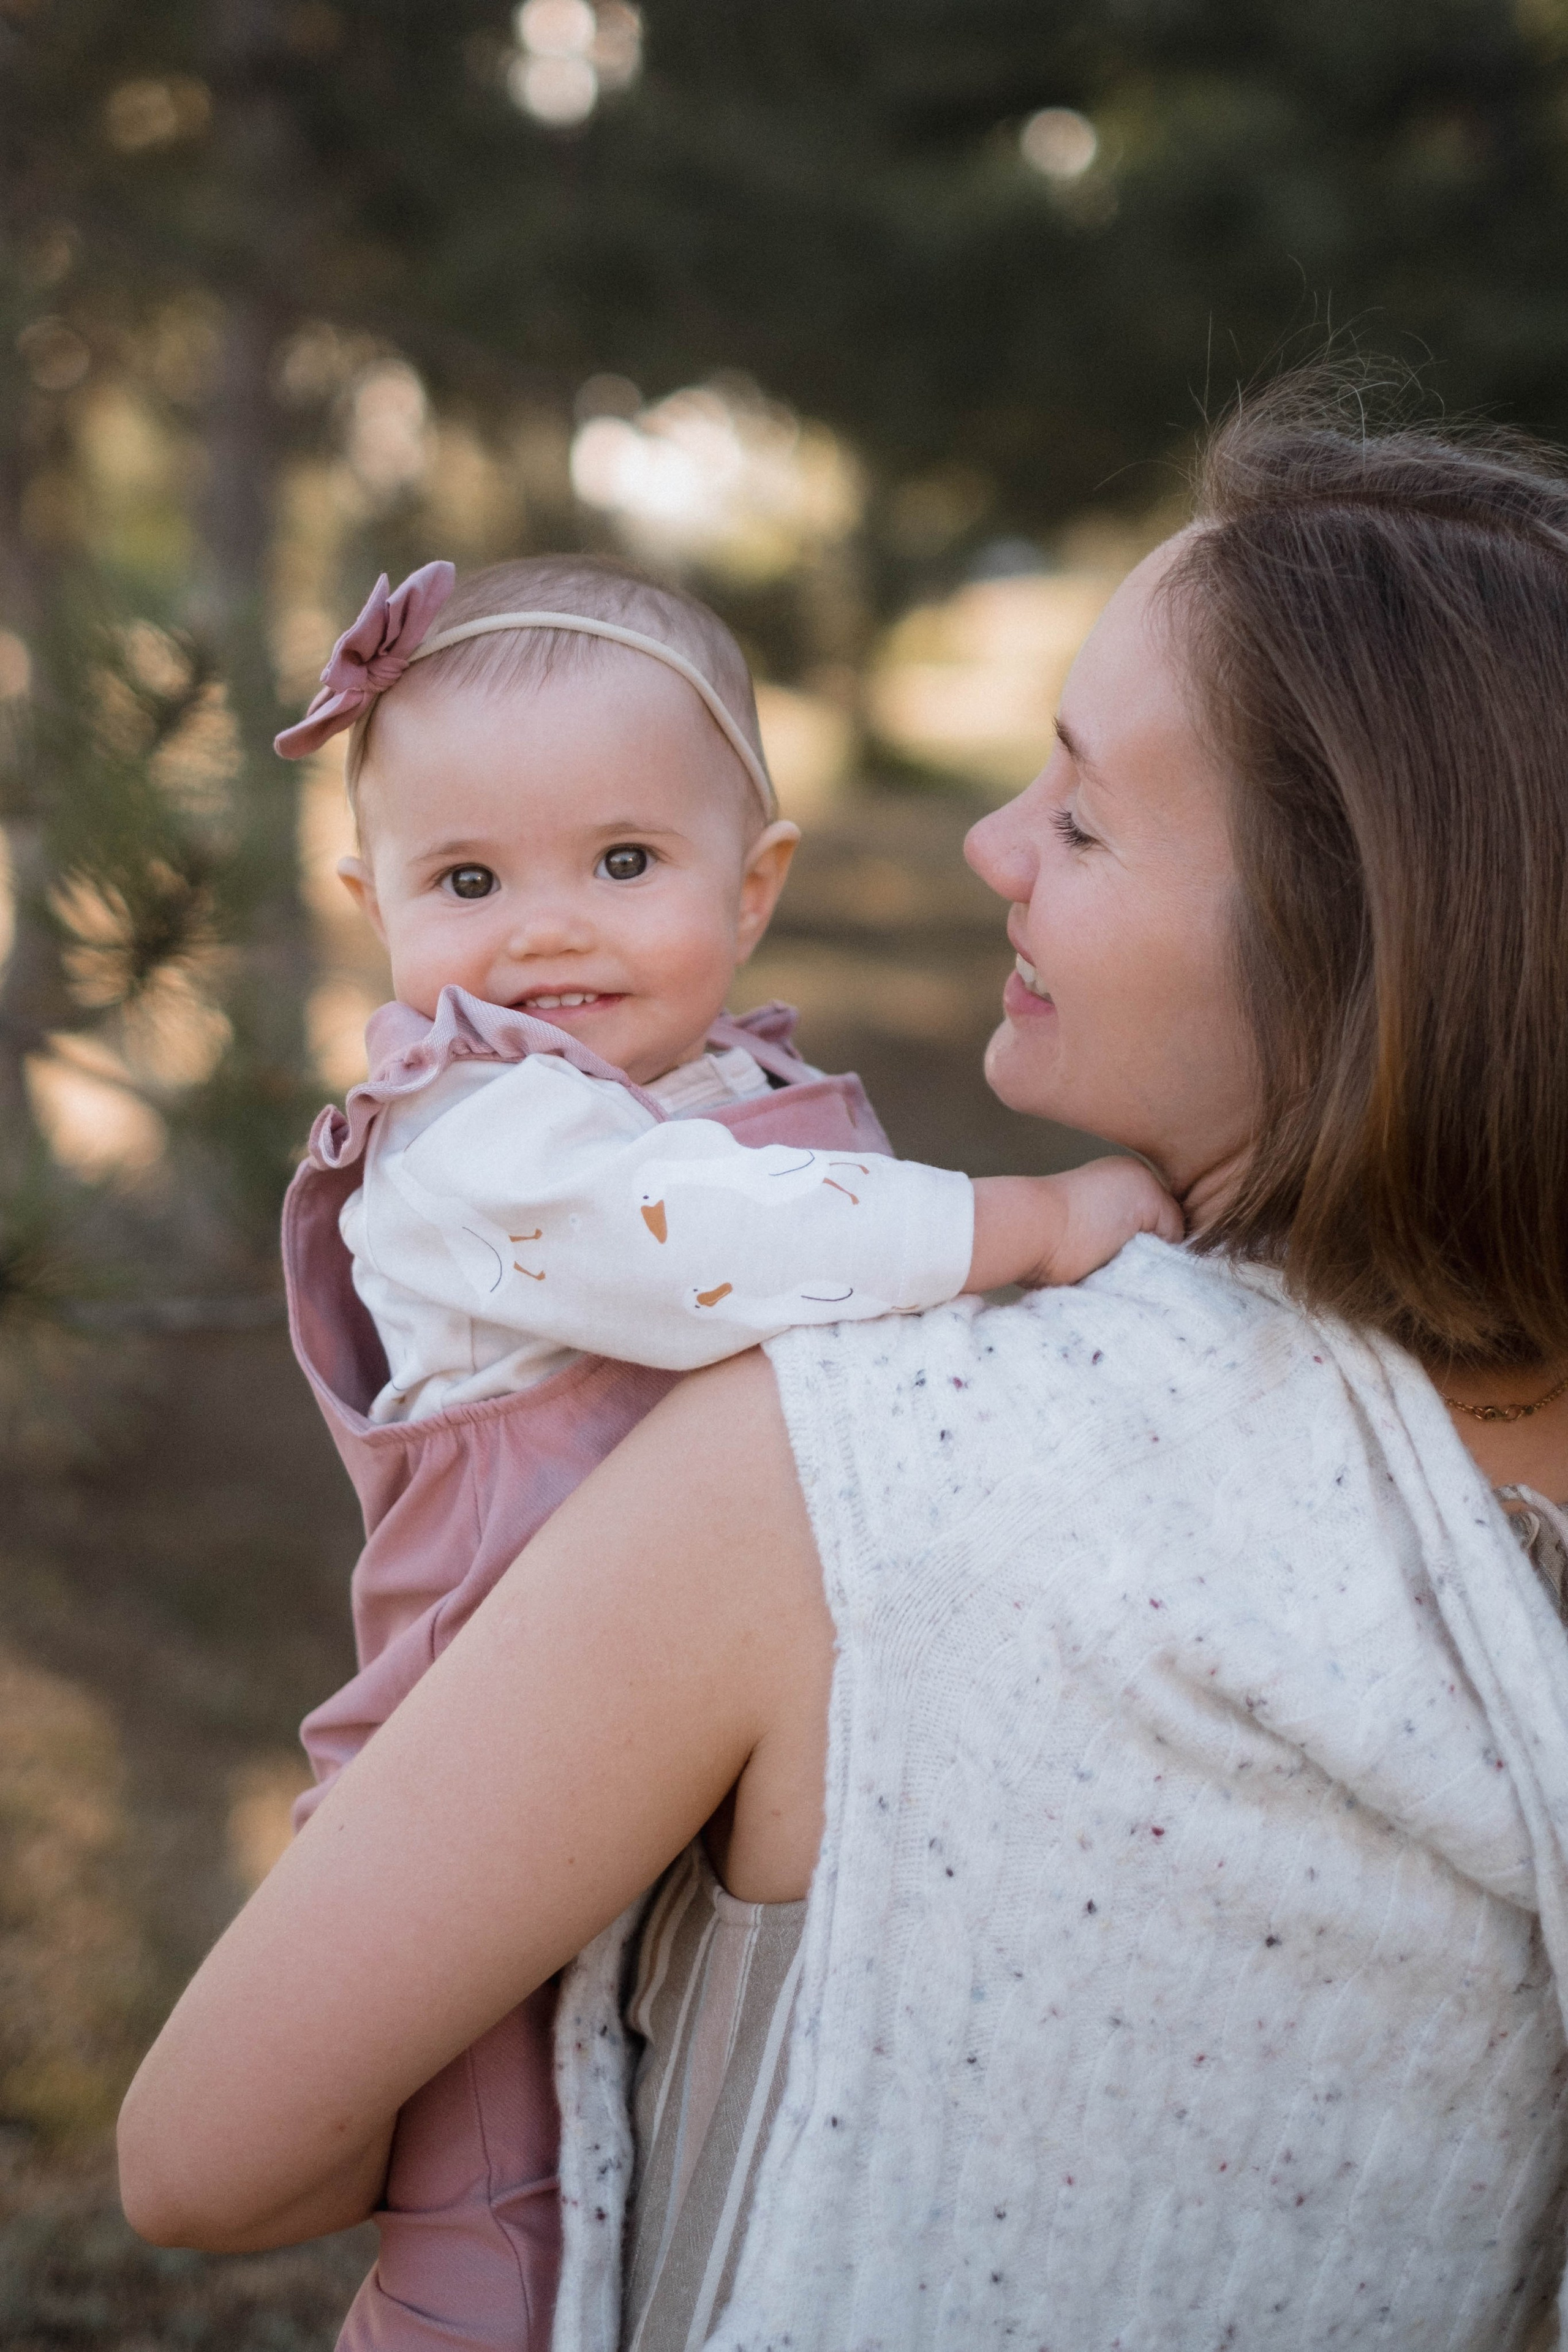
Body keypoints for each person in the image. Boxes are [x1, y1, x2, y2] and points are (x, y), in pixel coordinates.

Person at [119, 380, 1568, 2352]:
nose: (988, 843)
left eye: (1080, 816)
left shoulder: (842, 1477)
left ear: (1341, 935)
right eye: (469, 882)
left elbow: (209, 2162)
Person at [266, 552, 1177, 2351]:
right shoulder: (473, 1143)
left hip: (693, 1727)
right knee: (501, 2191)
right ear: (374, 906)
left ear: (751, 887)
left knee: (666, 2137)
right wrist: (1035, 1221)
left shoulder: (742, 1097)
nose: (547, 931)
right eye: (468, 881)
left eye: (624, 863)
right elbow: (701, 1243)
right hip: (488, 1747)